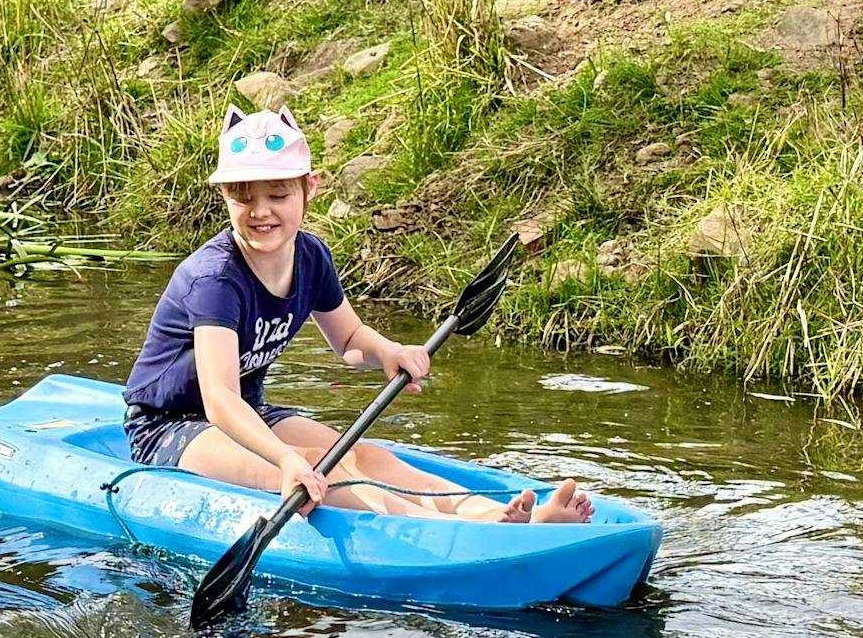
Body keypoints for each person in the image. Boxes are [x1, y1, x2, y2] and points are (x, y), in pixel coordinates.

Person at [123, 108, 591, 523]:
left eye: (278, 196)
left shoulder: (311, 256)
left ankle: (497, 515)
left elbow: (348, 340)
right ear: (225, 195)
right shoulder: (216, 280)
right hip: (171, 426)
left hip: (253, 413)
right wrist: (286, 461)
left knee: (364, 454)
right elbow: (220, 399)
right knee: (317, 465)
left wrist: (388, 351)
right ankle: (458, 532)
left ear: (310, 188)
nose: (260, 212)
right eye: (243, 198)